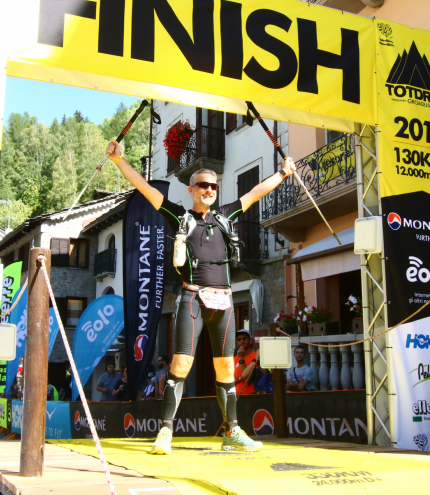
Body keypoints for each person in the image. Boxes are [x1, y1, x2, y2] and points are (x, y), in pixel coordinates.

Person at [106, 138, 295, 455]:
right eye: (204, 185)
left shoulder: (225, 215)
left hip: (224, 301)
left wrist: (283, 174)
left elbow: (256, 192)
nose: (210, 190)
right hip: (192, 298)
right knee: (180, 363)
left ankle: (232, 431)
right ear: (192, 189)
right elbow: (143, 187)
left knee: (225, 369)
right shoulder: (179, 215)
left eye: (214, 187)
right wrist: (118, 161)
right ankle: (165, 431)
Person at [234, 329, 261, 395]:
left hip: (251, 395)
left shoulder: (256, 356)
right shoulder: (234, 359)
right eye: (239, 339)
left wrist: (241, 358)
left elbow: (247, 378)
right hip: (236, 396)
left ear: (251, 341)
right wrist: (240, 378)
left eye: (244, 339)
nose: (242, 341)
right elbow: (228, 381)